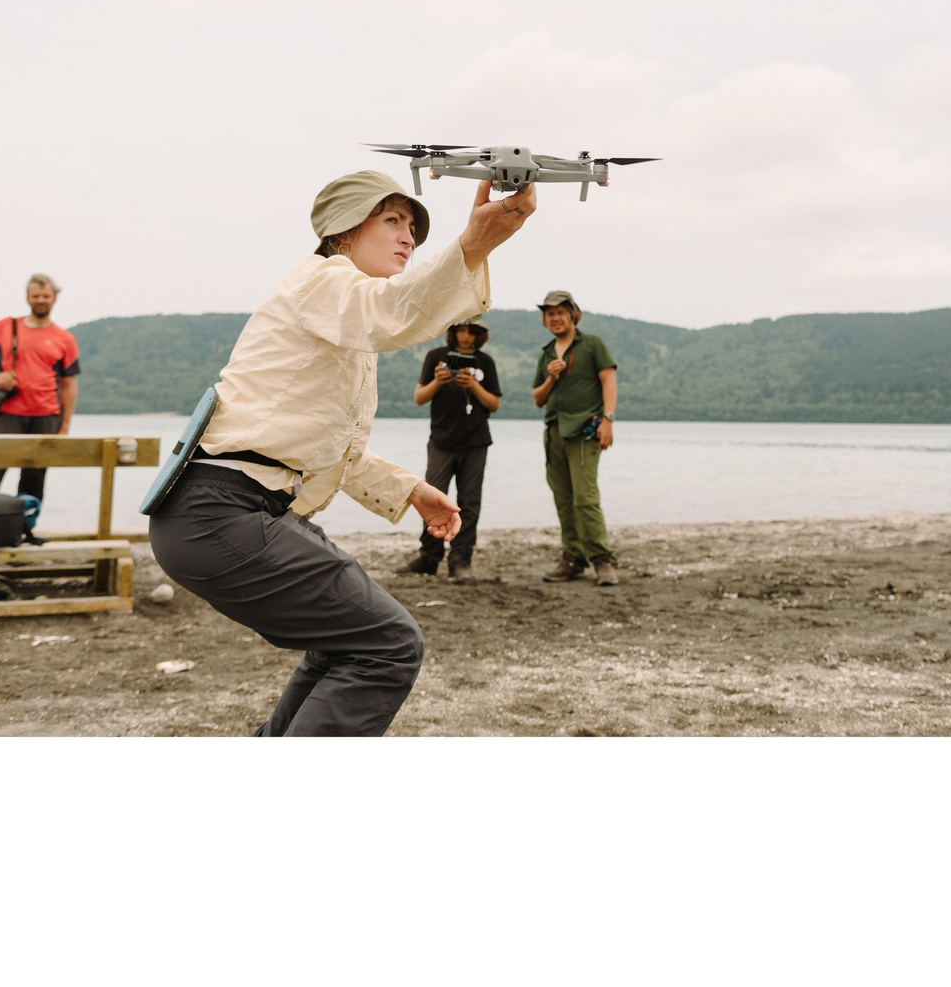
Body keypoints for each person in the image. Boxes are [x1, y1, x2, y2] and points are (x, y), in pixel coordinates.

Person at [147, 170, 534, 736]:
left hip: (226, 513)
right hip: (218, 512)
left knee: (350, 643)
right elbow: (396, 312)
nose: (407, 237)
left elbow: (333, 447)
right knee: (390, 644)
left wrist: (411, 490)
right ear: (345, 231)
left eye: (412, 227)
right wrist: (474, 243)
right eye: (392, 220)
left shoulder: (341, 314)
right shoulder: (323, 280)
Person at [0, 273, 80, 509]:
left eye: (45, 296)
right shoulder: (4, 327)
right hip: (7, 412)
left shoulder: (65, 339)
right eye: (36, 296)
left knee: (34, 477)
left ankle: (25, 524)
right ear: (27, 297)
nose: (41, 300)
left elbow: (69, 384)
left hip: (46, 415)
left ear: (54, 298)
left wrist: (64, 426)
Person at [531, 290, 621, 585]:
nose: (555, 318)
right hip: (554, 431)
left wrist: (608, 419)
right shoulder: (546, 353)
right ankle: (573, 559)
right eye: (550, 314)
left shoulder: (592, 344)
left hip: (585, 430)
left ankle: (602, 560)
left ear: (573, 315)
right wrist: (551, 378)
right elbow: (537, 398)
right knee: (563, 499)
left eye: (560, 312)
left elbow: (608, 380)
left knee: (585, 498)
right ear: (545, 320)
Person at [398, 320, 500, 579]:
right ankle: (429, 557)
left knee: (469, 502)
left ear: (479, 335)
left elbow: (494, 404)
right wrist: (437, 381)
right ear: (453, 332)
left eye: (472, 331)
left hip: (475, 442)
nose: (466, 336)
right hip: (441, 441)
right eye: (461, 330)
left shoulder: (485, 362)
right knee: (431, 498)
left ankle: (460, 561)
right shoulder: (436, 357)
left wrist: (473, 385)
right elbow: (419, 397)